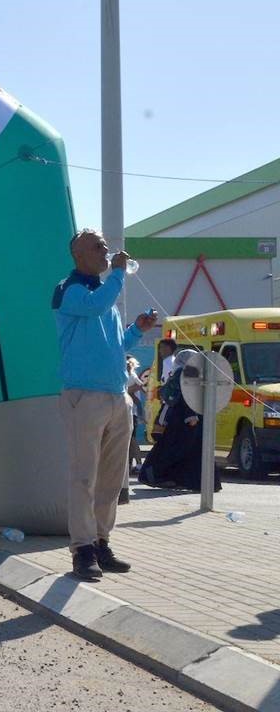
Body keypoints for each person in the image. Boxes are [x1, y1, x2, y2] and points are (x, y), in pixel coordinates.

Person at [52, 230, 157, 582]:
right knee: (84, 477)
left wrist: (137, 330)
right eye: (98, 246)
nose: (106, 251)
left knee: (112, 479)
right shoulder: (69, 290)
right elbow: (94, 306)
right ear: (78, 254)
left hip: (116, 397)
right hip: (84, 397)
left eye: (105, 247)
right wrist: (118, 274)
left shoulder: (104, 297)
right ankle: (82, 550)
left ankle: (100, 542)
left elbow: (115, 345)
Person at [139, 350, 221, 492]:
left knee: (188, 451)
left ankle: (196, 483)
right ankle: (158, 476)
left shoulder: (185, 373)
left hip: (186, 420)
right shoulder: (183, 374)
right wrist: (191, 415)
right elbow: (185, 397)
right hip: (185, 420)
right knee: (180, 450)